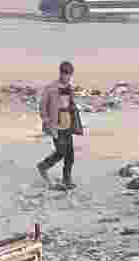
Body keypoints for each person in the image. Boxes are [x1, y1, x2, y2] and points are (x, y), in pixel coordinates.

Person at [38, 60, 81, 190]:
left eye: (69, 74)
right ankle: (43, 166)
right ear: (61, 73)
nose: (67, 77)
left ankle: (67, 180)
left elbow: (70, 104)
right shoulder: (50, 88)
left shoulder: (69, 88)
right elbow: (42, 107)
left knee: (70, 155)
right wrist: (47, 121)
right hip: (56, 125)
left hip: (68, 125)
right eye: (65, 74)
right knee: (61, 152)